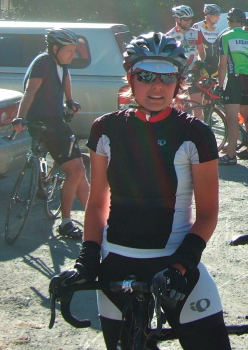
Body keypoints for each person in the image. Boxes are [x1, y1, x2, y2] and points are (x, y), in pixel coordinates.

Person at [76, 34, 228, 349]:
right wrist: (87, 258)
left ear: (178, 82)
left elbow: (209, 214)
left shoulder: (195, 134)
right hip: (117, 263)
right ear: (131, 78)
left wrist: (181, 265)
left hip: (175, 263)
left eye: (167, 77)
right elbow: (96, 204)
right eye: (145, 76)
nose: (156, 86)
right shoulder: (104, 129)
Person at [28, 28, 89, 237]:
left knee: (80, 169)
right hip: (46, 124)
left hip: (56, 121)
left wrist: (69, 100)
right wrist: (20, 118)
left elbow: (66, 78)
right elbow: (30, 91)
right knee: (76, 171)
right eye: (70, 50)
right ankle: (65, 223)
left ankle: (95, 216)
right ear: (55, 48)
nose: (74, 54)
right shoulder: (43, 63)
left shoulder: (59, 64)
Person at [214, 11, 248, 155]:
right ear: (243, 23)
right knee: (246, 117)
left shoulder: (226, 36)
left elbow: (222, 63)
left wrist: (220, 85)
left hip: (235, 78)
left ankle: (231, 155)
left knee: (232, 118)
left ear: (229, 23)